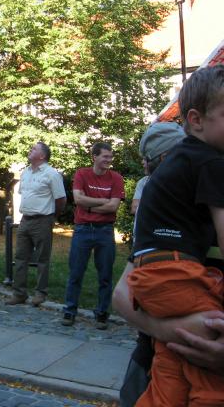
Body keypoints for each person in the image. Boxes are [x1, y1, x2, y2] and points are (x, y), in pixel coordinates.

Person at [117, 67, 224, 406]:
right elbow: (121, 293)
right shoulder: (210, 167)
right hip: (177, 282)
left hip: (158, 286)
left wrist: (167, 332)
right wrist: (177, 331)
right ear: (195, 120)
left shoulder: (180, 170)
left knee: (169, 376)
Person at [112, 121, 186, 406]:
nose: (145, 166)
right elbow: (123, 294)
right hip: (152, 350)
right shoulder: (156, 193)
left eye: (148, 160)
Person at [62, 142, 124, 329]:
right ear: (94, 157)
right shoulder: (82, 174)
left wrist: (89, 205)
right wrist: (101, 202)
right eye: (105, 156)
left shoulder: (116, 178)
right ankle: (69, 311)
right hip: (83, 229)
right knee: (76, 272)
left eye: (110, 157)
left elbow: (113, 206)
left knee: (105, 274)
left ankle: (102, 313)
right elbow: (78, 200)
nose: (109, 160)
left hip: (105, 230)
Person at [5, 142, 66, 307]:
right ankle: (19, 293)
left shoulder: (52, 174)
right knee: (20, 257)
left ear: (42, 156)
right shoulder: (25, 173)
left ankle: (40, 293)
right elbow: (23, 195)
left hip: (43, 220)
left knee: (42, 258)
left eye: (34, 149)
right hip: (25, 219)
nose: (30, 150)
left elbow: (61, 199)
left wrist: (53, 216)